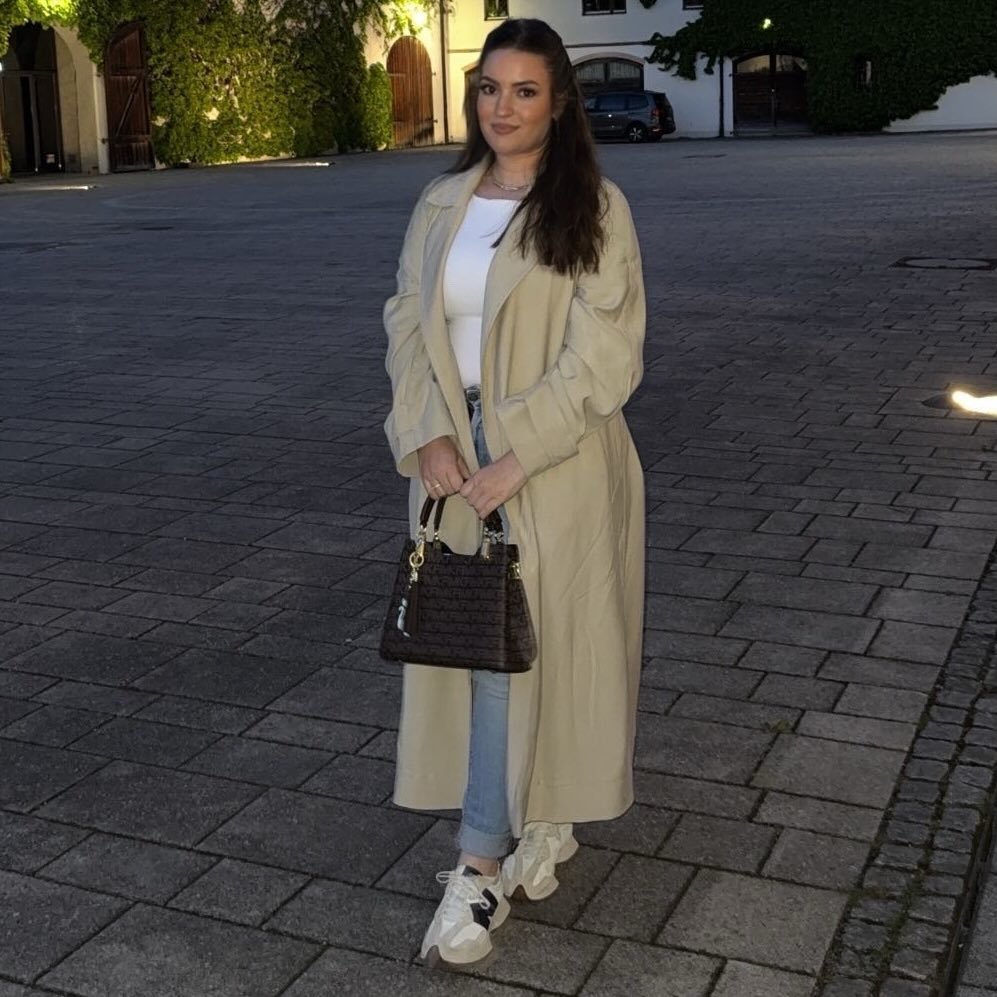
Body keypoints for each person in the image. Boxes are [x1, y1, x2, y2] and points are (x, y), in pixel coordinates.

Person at [383, 17, 646, 969]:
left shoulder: (594, 208)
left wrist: (515, 451)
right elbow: (406, 322)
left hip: (556, 463)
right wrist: (427, 431)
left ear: (559, 103)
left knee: (522, 654)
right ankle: (537, 817)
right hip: (453, 462)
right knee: (478, 648)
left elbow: (605, 354)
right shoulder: (441, 201)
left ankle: (479, 863)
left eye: (524, 91)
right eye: (489, 88)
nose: (502, 107)